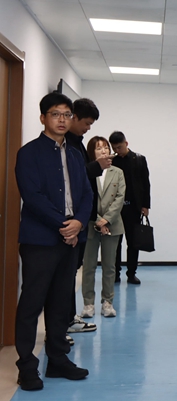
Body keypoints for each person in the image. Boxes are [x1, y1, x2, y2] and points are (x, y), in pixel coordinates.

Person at [14, 92, 93, 391]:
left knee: (61, 304)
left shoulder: (75, 154)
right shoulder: (29, 153)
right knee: (32, 303)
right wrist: (65, 226)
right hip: (40, 241)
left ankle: (58, 360)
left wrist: (79, 223)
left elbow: (86, 194)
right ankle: (26, 366)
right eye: (56, 114)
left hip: (69, 240)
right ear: (43, 118)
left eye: (67, 114)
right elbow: (32, 197)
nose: (62, 119)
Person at [65, 98, 104, 336]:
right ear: (75, 117)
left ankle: (68, 318)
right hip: (70, 223)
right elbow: (74, 178)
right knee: (65, 276)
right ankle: (63, 323)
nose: (88, 128)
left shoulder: (76, 144)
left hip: (81, 221)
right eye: (86, 123)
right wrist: (97, 166)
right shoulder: (65, 145)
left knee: (71, 272)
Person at [81, 136, 125, 318]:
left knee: (109, 267)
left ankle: (108, 302)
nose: (104, 151)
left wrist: (106, 220)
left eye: (106, 147)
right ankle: (88, 303)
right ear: (92, 152)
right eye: (99, 148)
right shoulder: (87, 171)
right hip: (91, 224)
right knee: (89, 266)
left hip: (112, 225)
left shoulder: (118, 172)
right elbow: (84, 197)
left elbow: (120, 198)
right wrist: (98, 220)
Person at [109, 131, 151, 285]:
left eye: (119, 147)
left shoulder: (139, 159)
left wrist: (145, 205)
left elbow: (145, 183)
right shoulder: (112, 161)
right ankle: (115, 273)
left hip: (134, 207)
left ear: (126, 144)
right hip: (115, 208)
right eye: (114, 148)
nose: (117, 151)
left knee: (133, 243)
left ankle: (131, 273)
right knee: (115, 243)